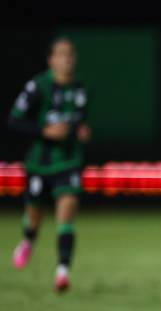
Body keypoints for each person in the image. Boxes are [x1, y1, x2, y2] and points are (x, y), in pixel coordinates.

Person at [8, 37, 91, 293]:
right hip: (40, 162)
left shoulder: (82, 89)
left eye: (70, 55)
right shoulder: (38, 86)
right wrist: (44, 131)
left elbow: (79, 121)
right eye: (61, 55)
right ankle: (28, 240)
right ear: (51, 60)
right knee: (34, 216)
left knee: (67, 212)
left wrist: (81, 130)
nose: (66, 60)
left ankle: (62, 272)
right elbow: (14, 120)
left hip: (68, 161)